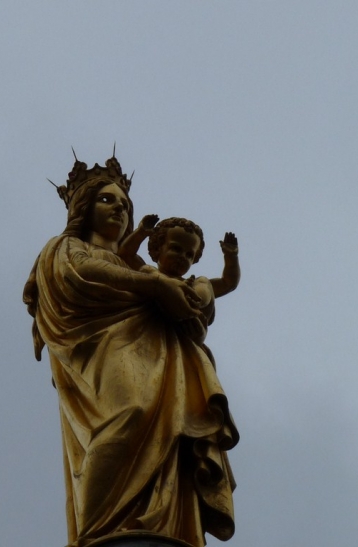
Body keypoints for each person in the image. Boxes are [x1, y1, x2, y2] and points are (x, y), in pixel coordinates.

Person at [23, 155, 239, 547]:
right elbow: (79, 276)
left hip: (163, 354)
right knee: (129, 415)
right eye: (107, 200)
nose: (119, 208)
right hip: (105, 356)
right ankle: (99, 531)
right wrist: (153, 288)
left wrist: (185, 295)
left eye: (124, 203)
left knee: (173, 437)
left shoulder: (140, 267)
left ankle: (164, 523)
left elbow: (203, 294)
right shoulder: (65, 248)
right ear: (83, 208)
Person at [119, 216, 240, 345]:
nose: (182, 257)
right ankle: (176, 298)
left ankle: (189, 300)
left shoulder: (195, 284)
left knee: (204, 281)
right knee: (147, 271)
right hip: (154, 315)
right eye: (176, 249)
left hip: (189, 324)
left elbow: (228, 283)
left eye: (189, 255)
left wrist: (231, 256)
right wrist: (141, 232)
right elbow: (125, 254)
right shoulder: (149, 272)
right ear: (157, 248)